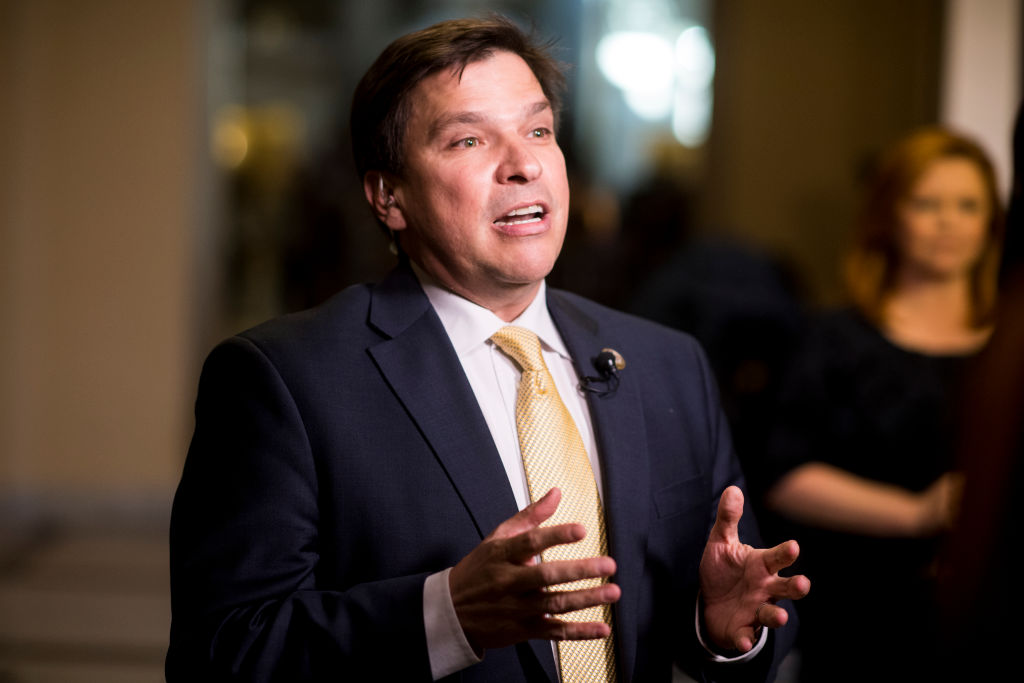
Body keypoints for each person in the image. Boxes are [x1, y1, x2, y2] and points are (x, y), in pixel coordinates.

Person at [166, 16, 808, 682]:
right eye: (469, 139)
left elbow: (728, 626)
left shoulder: (667, 365)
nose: (524, 164)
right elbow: (222, 656)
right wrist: (446, 616)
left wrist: (720, 629)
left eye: (538, 131)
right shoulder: (284, 381)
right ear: (389, 196)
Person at [762, 126, 1004, 682]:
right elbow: (782, 472)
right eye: (927, 203)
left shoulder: (1011, 349)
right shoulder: (833, 339)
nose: (948, 222)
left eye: (967, 205)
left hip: (983, 618)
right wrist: (919, 514)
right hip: (861, 617)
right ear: (890, 215)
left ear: (991, 221)